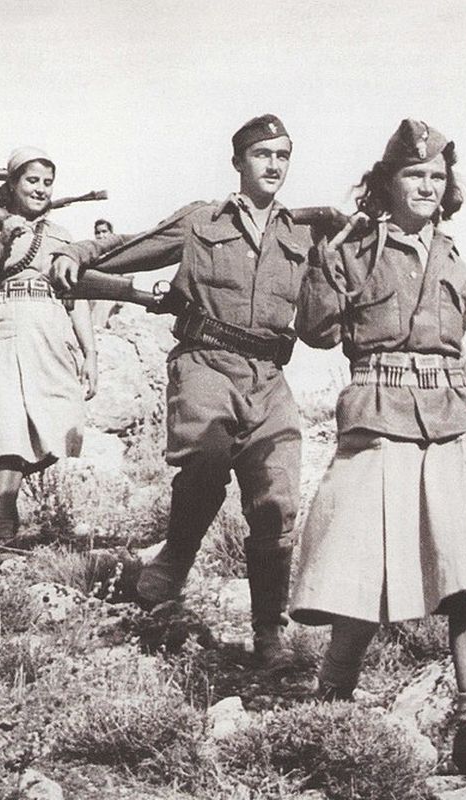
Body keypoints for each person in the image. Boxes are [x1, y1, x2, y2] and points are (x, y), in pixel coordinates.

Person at [288, 120, 466, 791]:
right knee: (360, 566)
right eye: (414, 174)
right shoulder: (354, 247)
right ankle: (331, 708)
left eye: (437, 176)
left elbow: (455, 332)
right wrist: (332, 256)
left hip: (448, 416)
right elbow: (316, 330)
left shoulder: (451, 254)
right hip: (378, 410)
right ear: (387, 182)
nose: (427, 185)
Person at [51, 115, 312, 669]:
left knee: (278, 501)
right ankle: (177, 556)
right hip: (206, 362)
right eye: (262, 154)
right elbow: (134, 246)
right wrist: (76, 252)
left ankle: (269, 631)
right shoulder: (201, 221)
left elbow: (325, 314)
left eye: (282, 155)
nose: (273, 165)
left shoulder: (301, 235)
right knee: (206, 458)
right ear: (238, 162)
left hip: (269, 377)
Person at [0, 147, 98, 542]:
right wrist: (0, 243)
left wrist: (90, 353)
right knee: (3, 427)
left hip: (48, 328)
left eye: (48, 183)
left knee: (62, 421)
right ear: (13, 184)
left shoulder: (61, 236)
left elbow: (77, 298)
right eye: (32, 181)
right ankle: (0, 527)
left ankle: (23, 508)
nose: (41, 189)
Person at [88, 218, 121, 329]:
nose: (101, 236)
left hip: (113, 297)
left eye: (104, 231)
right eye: (97, 233)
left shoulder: (119, 252)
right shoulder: (93, 254)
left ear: (111, 233)